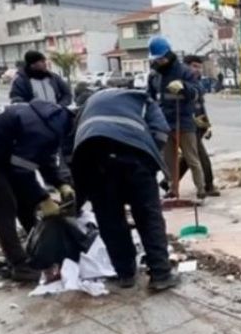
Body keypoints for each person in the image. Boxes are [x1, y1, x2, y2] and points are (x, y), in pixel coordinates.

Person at [72, 89, 179, 291]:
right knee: (148, 217)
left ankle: (125, 274)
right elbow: (161, 130)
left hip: (94, 161)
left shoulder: (88, 105)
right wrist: (149, 160)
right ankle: (160, 274)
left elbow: (73, 145)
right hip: (134, 157)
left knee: (109, 219)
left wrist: (77, 195)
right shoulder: (142, 98)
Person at [0, 99, 74, 281]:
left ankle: (37, 246)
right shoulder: (43, 130)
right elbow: (22, 170)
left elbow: (45, 157)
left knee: (25, 201)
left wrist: (60, 184)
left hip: (1, 151)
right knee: (3, 204)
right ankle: (19, 264)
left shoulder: (54, 122)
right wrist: (44, 199)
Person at [145, 36, 206, 199]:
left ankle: (201, 189)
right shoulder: (154, 75)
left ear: (168, 54)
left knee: (192, 158)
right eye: (157, 59)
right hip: (164, 123)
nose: (160, 62)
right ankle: (173, 189)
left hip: (184, 121)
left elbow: (198, 92)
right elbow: (149, 98)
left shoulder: (184, 71)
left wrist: (184, 89)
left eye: (162, 58)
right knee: (169, 161)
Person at [177, 55, 219, 196]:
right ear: (186, 66)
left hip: (197, 127)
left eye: (199, 67)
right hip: (187, 126)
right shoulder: (181, 84)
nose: (198, 70)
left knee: (190, 158)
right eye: (194, 66)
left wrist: (206, 126)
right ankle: (208, 185)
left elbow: (200, 107)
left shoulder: (197, 83)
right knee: (201, 157)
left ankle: (168, 182)